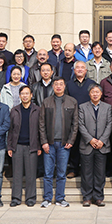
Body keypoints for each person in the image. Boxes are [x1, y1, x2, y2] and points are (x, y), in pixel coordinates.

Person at [39, 77, 79, 208]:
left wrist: (71, 140)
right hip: (49, 143)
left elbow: (75, 124)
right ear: (53, 86)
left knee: (62, 173)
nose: (58, 86)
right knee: (48, 173)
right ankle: (47, 198)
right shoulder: (46, 102)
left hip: (64, 144)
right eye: (56, 84)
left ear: (64, 86)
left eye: (61, 84)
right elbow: (41, 123)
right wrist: (44, 142)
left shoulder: (72, 101)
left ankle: (60, 198)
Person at [78, 84, 112, 207]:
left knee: (100, 173)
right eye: (93, 92)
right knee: (86, 173)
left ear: (101, 93)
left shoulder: (107, 107)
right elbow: (80, 125)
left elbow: (109, 124)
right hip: (87, 145)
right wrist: (90, 140)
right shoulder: (82, 107)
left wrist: (102, 140)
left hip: (102, 146)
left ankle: (98, 197)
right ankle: (87, 197)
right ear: (89, 94)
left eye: (97, 92)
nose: (95, 94)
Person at [7, 85, 41, 207]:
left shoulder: (37, 110)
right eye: (22, 94)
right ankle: (16, 198)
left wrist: (39, 146)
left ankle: (30, 198)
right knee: (17, 174)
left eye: (27, 93)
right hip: (17, 146)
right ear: (19, 96)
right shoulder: (14, 110)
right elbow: (11, 130)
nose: (25, 96)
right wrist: (10, 146)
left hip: (32, 146)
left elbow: (41, 129)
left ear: (31, 95)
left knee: (31, 174)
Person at [65, 61, 96, 179]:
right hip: (72, 119)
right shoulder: (68, 84)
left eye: (82, 67)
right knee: (74, 144)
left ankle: (87, 170)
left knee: (87, 144)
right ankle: (73, 169)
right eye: (77, 67)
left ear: (86, 70)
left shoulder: (92, 84)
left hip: (89, 119)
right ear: (74, 70)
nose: (80, 69)